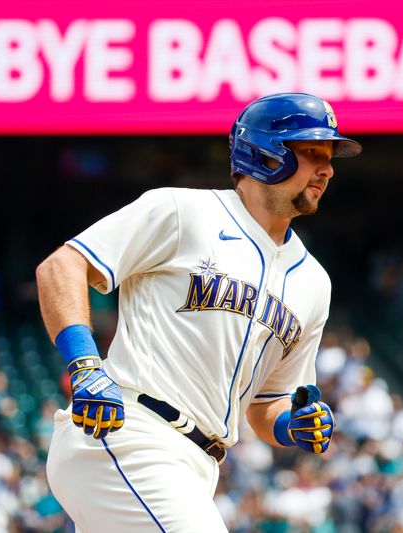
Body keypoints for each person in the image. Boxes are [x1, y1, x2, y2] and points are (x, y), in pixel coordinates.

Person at [36, 93, 361, 531]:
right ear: (265, 153)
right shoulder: (182, 211)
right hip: (130, 434)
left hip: (198, 467)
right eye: (311, 152)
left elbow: (267, 406)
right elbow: (62, 266)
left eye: (330, 156)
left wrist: (290, 426)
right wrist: (85, 365)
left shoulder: (313, 283)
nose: (328, 168)